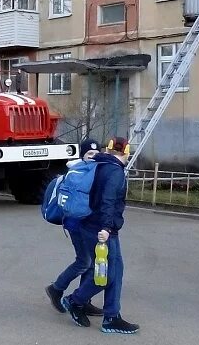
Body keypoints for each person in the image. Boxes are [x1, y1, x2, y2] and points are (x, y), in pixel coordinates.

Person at [60, 137, 139, 335]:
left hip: (95, 226)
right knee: (105, 275)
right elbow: (107, 201)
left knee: (116, 272)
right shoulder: (115, 172)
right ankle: (74, 300)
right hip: (101, 230)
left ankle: (112, 316)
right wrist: (106, 227)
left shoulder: (100, 164)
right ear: (126, 152)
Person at [45, 138, 105, 319]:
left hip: (87, 224)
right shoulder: (78, 172)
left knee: (90, 261)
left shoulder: (93, 170)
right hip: (76, 224)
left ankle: (83, 300)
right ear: (83, 155)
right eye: (89, 154)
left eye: (96, 154)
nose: (93, 157)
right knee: (84, 261)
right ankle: (56, 289)